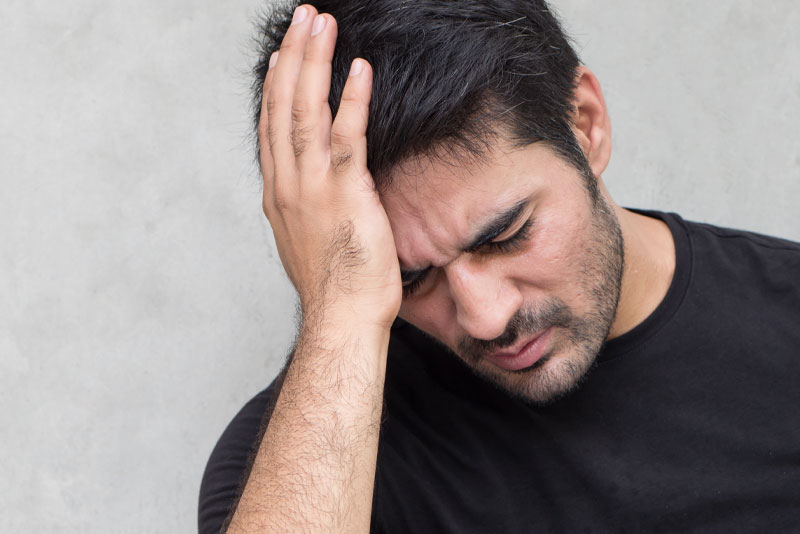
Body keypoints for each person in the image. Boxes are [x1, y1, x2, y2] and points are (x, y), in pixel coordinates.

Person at [199, 1, 800, 532]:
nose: (485, 319)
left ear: (586, 125)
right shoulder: (285, 469)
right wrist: (341, 304)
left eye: (505, 235)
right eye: (411, 279)